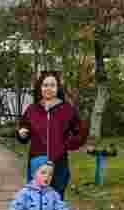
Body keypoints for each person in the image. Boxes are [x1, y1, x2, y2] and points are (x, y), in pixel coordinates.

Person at [16, 71, 87, 199]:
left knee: (56, 200)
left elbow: (80, 132)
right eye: (45, 85)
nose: (48, 88)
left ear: (58, 88)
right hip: (37, 163)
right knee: (36, 201)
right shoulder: (32, 110)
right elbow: (23, 129)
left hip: (59, 164)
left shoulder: (66, 110)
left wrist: (66, 144)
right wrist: (22, 134)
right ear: (40, 88)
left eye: (52, 85)